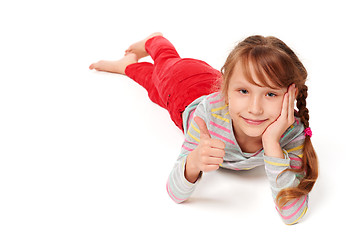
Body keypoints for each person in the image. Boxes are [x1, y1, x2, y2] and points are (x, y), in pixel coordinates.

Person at [89, 32, 319, 225]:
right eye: (244, 91)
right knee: (165, 65)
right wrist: (193, 163)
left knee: (152, 85)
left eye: (270, 94)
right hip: (184, 89)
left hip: (204, 87)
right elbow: (174, 193)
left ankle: (127, 66)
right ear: (227, 88)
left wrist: (271, 144)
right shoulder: (209, 114)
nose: (255, 109)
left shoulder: (290, 132)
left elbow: (292, 215)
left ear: (292, 95)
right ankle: (155, 41)